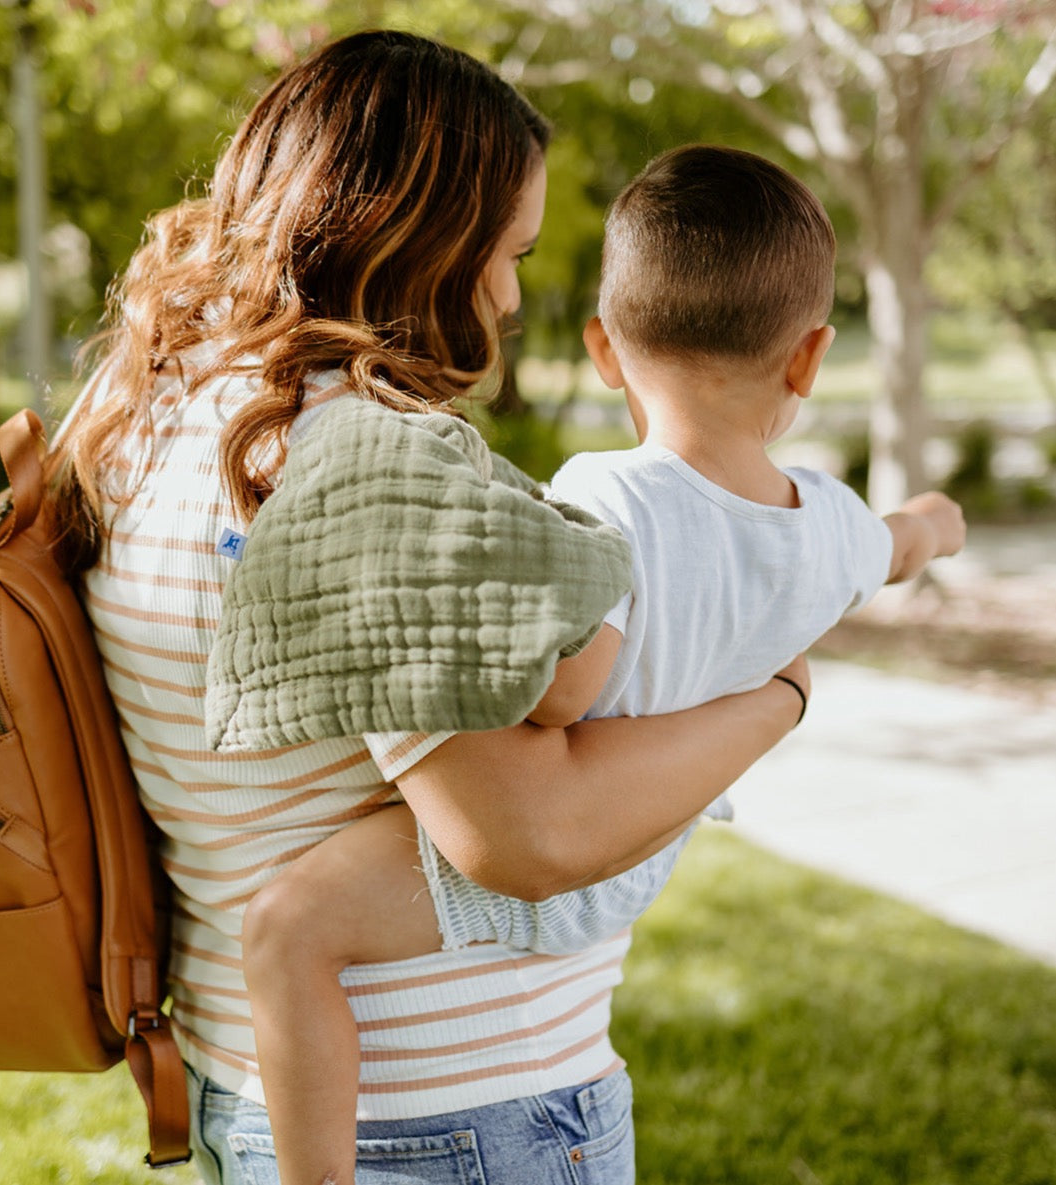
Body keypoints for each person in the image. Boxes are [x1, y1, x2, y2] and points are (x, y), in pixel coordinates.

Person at [48, 34, 811, 1185]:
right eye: (505, 252)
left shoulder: (151, 414)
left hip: (268, 1088)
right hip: (448, 1115)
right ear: (414, 236)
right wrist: (784, 696)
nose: (507, 296)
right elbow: (524, 837)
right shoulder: (348, 460)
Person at [239, 144, 967, 1184]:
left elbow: (572, 685)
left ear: (603, 350)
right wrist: (938, 524)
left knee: (288, 929)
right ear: (807, 359)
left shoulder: (606, 497)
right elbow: (901, 546)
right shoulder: (831, 528)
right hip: (641, 857)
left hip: (553, 867)